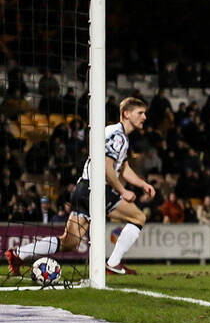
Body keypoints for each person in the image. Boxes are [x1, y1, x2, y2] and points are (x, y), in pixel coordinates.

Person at [6, 97, 155, 276]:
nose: (145, 117)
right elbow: (107, 166)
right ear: (126, 114)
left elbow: (123, 168)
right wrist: (123, 191)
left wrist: (143, 183)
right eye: (140, 113)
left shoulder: (116, 134)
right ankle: (113, 264)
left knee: (69, 241)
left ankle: (18, 254)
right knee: (138, 218)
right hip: (97, 190)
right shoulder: (118, 136)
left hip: (83, 189)